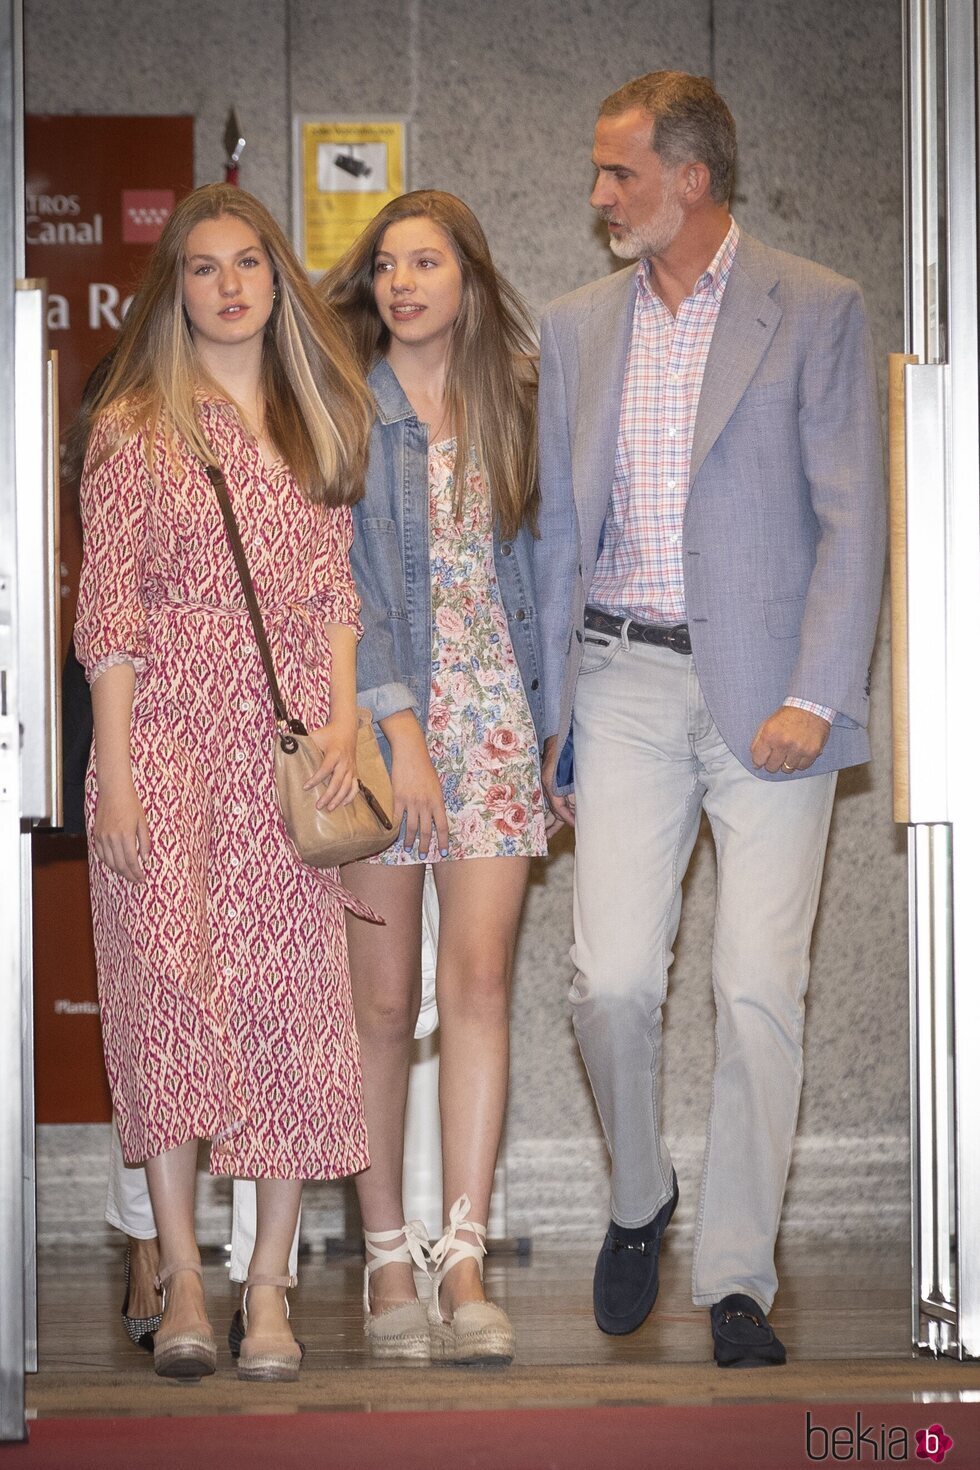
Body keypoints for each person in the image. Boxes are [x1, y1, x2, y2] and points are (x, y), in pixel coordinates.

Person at [535, 72, 885, 1367]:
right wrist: (551, 715)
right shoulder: (576, 328)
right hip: (621, 681)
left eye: (618, 172)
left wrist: (817, 692)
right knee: (610, 979)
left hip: (771, 701)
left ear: (692, 178)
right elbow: (557, 532)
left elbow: (855, 516)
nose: (599, 196)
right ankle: (640, 1195)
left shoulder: (819, 307)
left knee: (756, 989)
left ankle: (738, 1272)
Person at [73, 182, 374, 1381]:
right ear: (176, 288)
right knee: (166, 1013)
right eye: (203, 267)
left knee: (291, 1019)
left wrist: (347, 720)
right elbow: (109, 612)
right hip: (167, 751)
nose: (231, 285)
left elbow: (335, 598)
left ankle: (268, 1293)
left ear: (277, 279)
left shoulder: (319, 418)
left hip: (288, 761)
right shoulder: (136, 424)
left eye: (249, 262)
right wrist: (123, 779)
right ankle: (185, 1279)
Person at [322, 190, 545, 1365]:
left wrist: (554, 723)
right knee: (376, 1005)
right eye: (388, 265)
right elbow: (346, 588)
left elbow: (542, 570)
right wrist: (399, 727)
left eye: (426, 261)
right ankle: (381, 1256)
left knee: (479, 984)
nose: (404, 282)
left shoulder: (513, 399)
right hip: (380, 732)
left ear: (467, 275)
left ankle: (462, 1258)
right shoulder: (344, 408)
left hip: (496, 724)